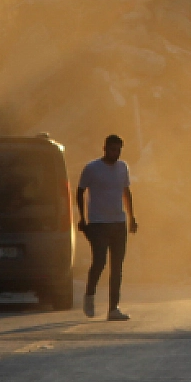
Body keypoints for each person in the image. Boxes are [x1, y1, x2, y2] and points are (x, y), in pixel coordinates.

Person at [77, 134, 138, 321]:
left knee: (117, 266)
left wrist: (132, 217)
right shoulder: (92, 168)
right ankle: (89, 295)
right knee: (100, 262)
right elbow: (80, 191)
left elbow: (126, 192)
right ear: (104, 149)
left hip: (119, 222)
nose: (115, 153)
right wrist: (82, 219)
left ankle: (113, 308)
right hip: (98, 223)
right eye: (112, 149)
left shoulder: (122, 167)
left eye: (118, 150)